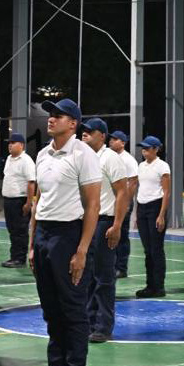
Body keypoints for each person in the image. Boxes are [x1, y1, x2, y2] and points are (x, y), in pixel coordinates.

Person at [27, 98, 100, 366]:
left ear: (73, 123)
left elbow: (93, 204)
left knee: (72, 309)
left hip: (68, 234)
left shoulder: (83, 155)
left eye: (58, 115)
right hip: (44, 234)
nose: (51, 119)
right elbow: (38, 202)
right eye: (50, 115)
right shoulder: (43, 154)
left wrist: (82, 249)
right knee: (51, 309)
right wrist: (32, 244)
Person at [80, 119, 128, 343]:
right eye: (84, 131)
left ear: (102, 136)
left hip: (104, 222)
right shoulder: (84, 157)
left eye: (90, 132)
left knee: (104, 277)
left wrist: (117, 225)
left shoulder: (111, 158)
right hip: (86, 221)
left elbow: (122, 192)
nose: (84, 134)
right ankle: (89, 321)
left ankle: (103, 325)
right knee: (87, 275)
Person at [135, 136, 171, 298]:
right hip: (142, 208)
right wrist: (137, 213)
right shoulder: (141, 166)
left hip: (155, 207)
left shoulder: (162, 166)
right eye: (143, 148)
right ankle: (150, 285)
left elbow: (166, 192)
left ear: (156, 149)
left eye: (147, 148)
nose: (144, 150)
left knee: (156, 249)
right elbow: (140, 189)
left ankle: (159, 286)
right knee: (147, 250)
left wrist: (161, 215)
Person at [1, 132, 35, 268]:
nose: (10, 145)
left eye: (13, 143)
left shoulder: (26, 160)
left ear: (21, 145)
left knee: (19, 230)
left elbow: (31, 182)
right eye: (9, 143)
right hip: (9, 200)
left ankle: (20, 259)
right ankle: (14, 256)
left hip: (19, 200)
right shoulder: (9, 158)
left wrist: (28, 202)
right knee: (12, 229)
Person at [108, 131, 138, 279]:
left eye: (115, 139)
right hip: (110, 201)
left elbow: (132, 182)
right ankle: (112, 265)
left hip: (122, 201)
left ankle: (121, 267)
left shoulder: (128, 160)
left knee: (122, 235)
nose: (111, 141)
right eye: (111, 139)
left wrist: (126, 202)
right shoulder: (109, 157)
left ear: (123, 142)